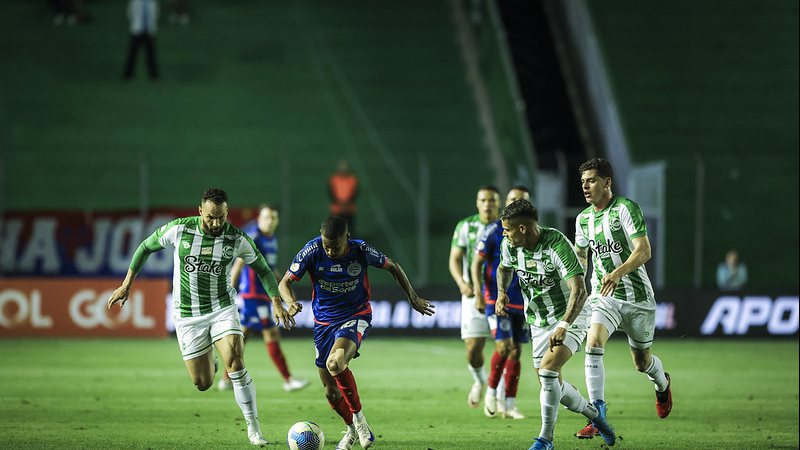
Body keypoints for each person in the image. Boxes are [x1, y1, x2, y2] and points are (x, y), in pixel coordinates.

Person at [107, 188, 294, 446]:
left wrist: (276, 300)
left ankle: (254, 429)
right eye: (210, 217)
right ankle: (211, 360)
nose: (217, 223)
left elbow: (262, 268)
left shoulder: (237, 238)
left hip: (222, 308)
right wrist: (127, 284)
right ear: (200, 211)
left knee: (236, 362)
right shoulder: (179, 230)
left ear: (227, 213)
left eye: (222, 217)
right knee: (203, 382)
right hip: (187, 316)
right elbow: (144, 247)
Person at [278, 215, 434, 450]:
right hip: (323, 324)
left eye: (336, 246)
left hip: (355, 315)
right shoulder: (312, 250)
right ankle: (351, 430)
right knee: (331, 392)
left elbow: (393, 266)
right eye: (326, 245)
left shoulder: (360, 250)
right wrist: (290, 302)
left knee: (336, 362)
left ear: (347, 239)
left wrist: (412, 298)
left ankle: (360, 421)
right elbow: (284, 283)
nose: (330, 251)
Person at [496, 199, 615, 450]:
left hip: (571, 314)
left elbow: (579, 289)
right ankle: (595, 416)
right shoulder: (510, 245)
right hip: (538, 321)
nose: (504, 234)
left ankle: (545, 440)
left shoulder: (557, 245)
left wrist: (564, 324)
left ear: (523, 229)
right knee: (552, 384)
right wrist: (501, 293)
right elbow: (503, 269)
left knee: (548, 371)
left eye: (507, 229)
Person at [573, 158, 673, 440]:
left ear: (607, 182)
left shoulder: (626, 209)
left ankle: (662, 383)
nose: (586, 187)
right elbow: (581, 257)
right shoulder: (583, 219)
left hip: (637, 298)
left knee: (641, 362)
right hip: (604, 296)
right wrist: (576, 287)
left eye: (591, 180)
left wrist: (617, 272)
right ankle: (597, 416)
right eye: (583, 182)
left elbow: (644, 251)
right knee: (593, 343)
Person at [217, 204, 309, 393]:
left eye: (273, 218)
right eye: (266, 217)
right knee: (270, 333)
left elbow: (270, 269)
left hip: (262, 296)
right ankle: (288, 379)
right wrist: (230, 291)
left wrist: (286, 291)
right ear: (259, 219)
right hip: (252, 295)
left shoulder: (271, 239)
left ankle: (226, 378)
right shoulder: (255, 238)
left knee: (243, 337)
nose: (270, 221)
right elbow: (238, 265)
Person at [470, 185, 531, 419]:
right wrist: (478, 293)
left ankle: (510, 404)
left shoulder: (530, 231)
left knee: (516, 352)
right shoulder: (495, 230)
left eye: (521, 200)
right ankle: (492, 394)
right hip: (497, 299)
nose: (516, 203)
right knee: (503, 347)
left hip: (522, 301)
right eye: (512, 199)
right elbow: (477, 262)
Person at [448, 185, 500, 409]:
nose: (487, 204)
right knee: (473, 348)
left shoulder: (505, 227)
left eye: (492, 200)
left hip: (501, 294)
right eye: (483, 200)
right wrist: (462, 283)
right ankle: (480, 381)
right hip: (474, 293)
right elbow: (454, 258)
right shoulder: (465, 226)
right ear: (477, 203)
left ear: (498, 203)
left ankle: (500, 395)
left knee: (506, 347)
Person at [123, 0, 160, 81]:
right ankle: (127, 75)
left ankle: (154, 76)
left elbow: (156, 13)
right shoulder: (135, 1)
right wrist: (136, 24)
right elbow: (130, 13)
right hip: (137, 30)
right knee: (132, 54)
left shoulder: (152, 2)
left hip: (149, 31)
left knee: (151, 55)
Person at [328, 160, 359, 234]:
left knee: (350, 229)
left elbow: (355, 192)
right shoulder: (334, 179)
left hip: (349, 208)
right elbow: (331, 193)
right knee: (336, 230)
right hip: (337, 209)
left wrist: (347, 202)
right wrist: (339, 202)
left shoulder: (352, 179)